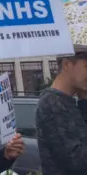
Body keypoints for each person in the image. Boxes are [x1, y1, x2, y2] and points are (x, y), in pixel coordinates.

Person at [35, 45, 87, 174]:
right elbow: (77, 161)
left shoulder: (69, 101)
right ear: (67, 65)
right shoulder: (52, 103)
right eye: (86, 67)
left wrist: (84, 101)